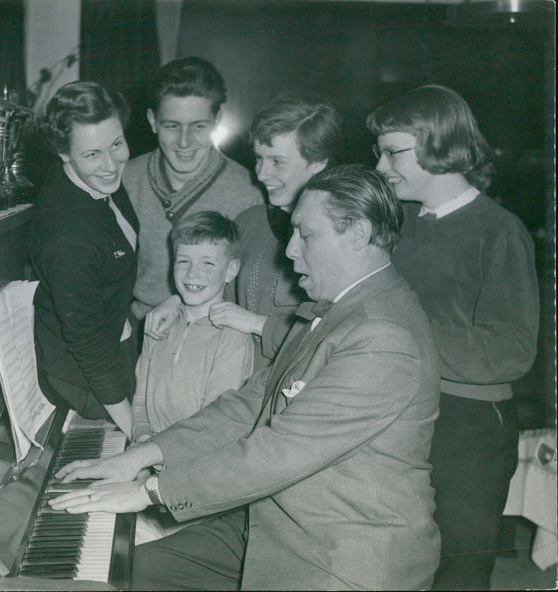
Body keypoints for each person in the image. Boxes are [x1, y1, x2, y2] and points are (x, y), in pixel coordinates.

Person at [49, 164, 442, 590]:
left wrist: (150, 492)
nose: (289, 250)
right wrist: (140, 456)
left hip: (339, 553)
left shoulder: (382, 335)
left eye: (305, 235)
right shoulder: (336, 310)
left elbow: (279, 451)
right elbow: (249, 403)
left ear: (359, 233)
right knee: (125, 570)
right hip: (274, 521)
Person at [366, 84, 540, 591]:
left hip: (468, 432)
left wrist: (405, 330)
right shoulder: (402, 223)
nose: (380, 166)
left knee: (457, 572)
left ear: (439, 145)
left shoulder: (499, 231)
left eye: (392, 151)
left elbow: (511, 351)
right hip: (405, 412)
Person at [146, 93, 343, 369]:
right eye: (259, 159)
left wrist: (257, 324)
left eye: (277, 162)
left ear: (318, 163)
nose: (261, 174)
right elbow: (215, 288)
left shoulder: (340, 239)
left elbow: (335, 341)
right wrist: (176, 302)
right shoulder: (249, 220)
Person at [29, 81, 138, 437]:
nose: (111, 165)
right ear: (63, 153)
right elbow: (87, 341)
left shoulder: (95, 180)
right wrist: (133, 429)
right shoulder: (67, 232)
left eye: (117, 144)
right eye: (93, 154)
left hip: (116, 344)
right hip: (84, 379)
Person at [122, 56, 263, 321]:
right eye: (172, 126)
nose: (184, 142)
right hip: (134, 332)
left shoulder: (247, 193)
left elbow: (245, 292)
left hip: (209, 336)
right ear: (152, 120)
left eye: (198, 127)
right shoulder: (126, 179)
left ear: (217, 119)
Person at [131, 210, 254, 443]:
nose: (192, 273)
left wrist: (150, 454)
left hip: (195, 458)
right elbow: (141, 398)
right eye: (183, 261)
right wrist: (141, 437)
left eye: (207, 263)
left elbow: (213, 425)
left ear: (230, 270)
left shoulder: (232, 336)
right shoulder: (159, 321)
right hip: (150, 450)